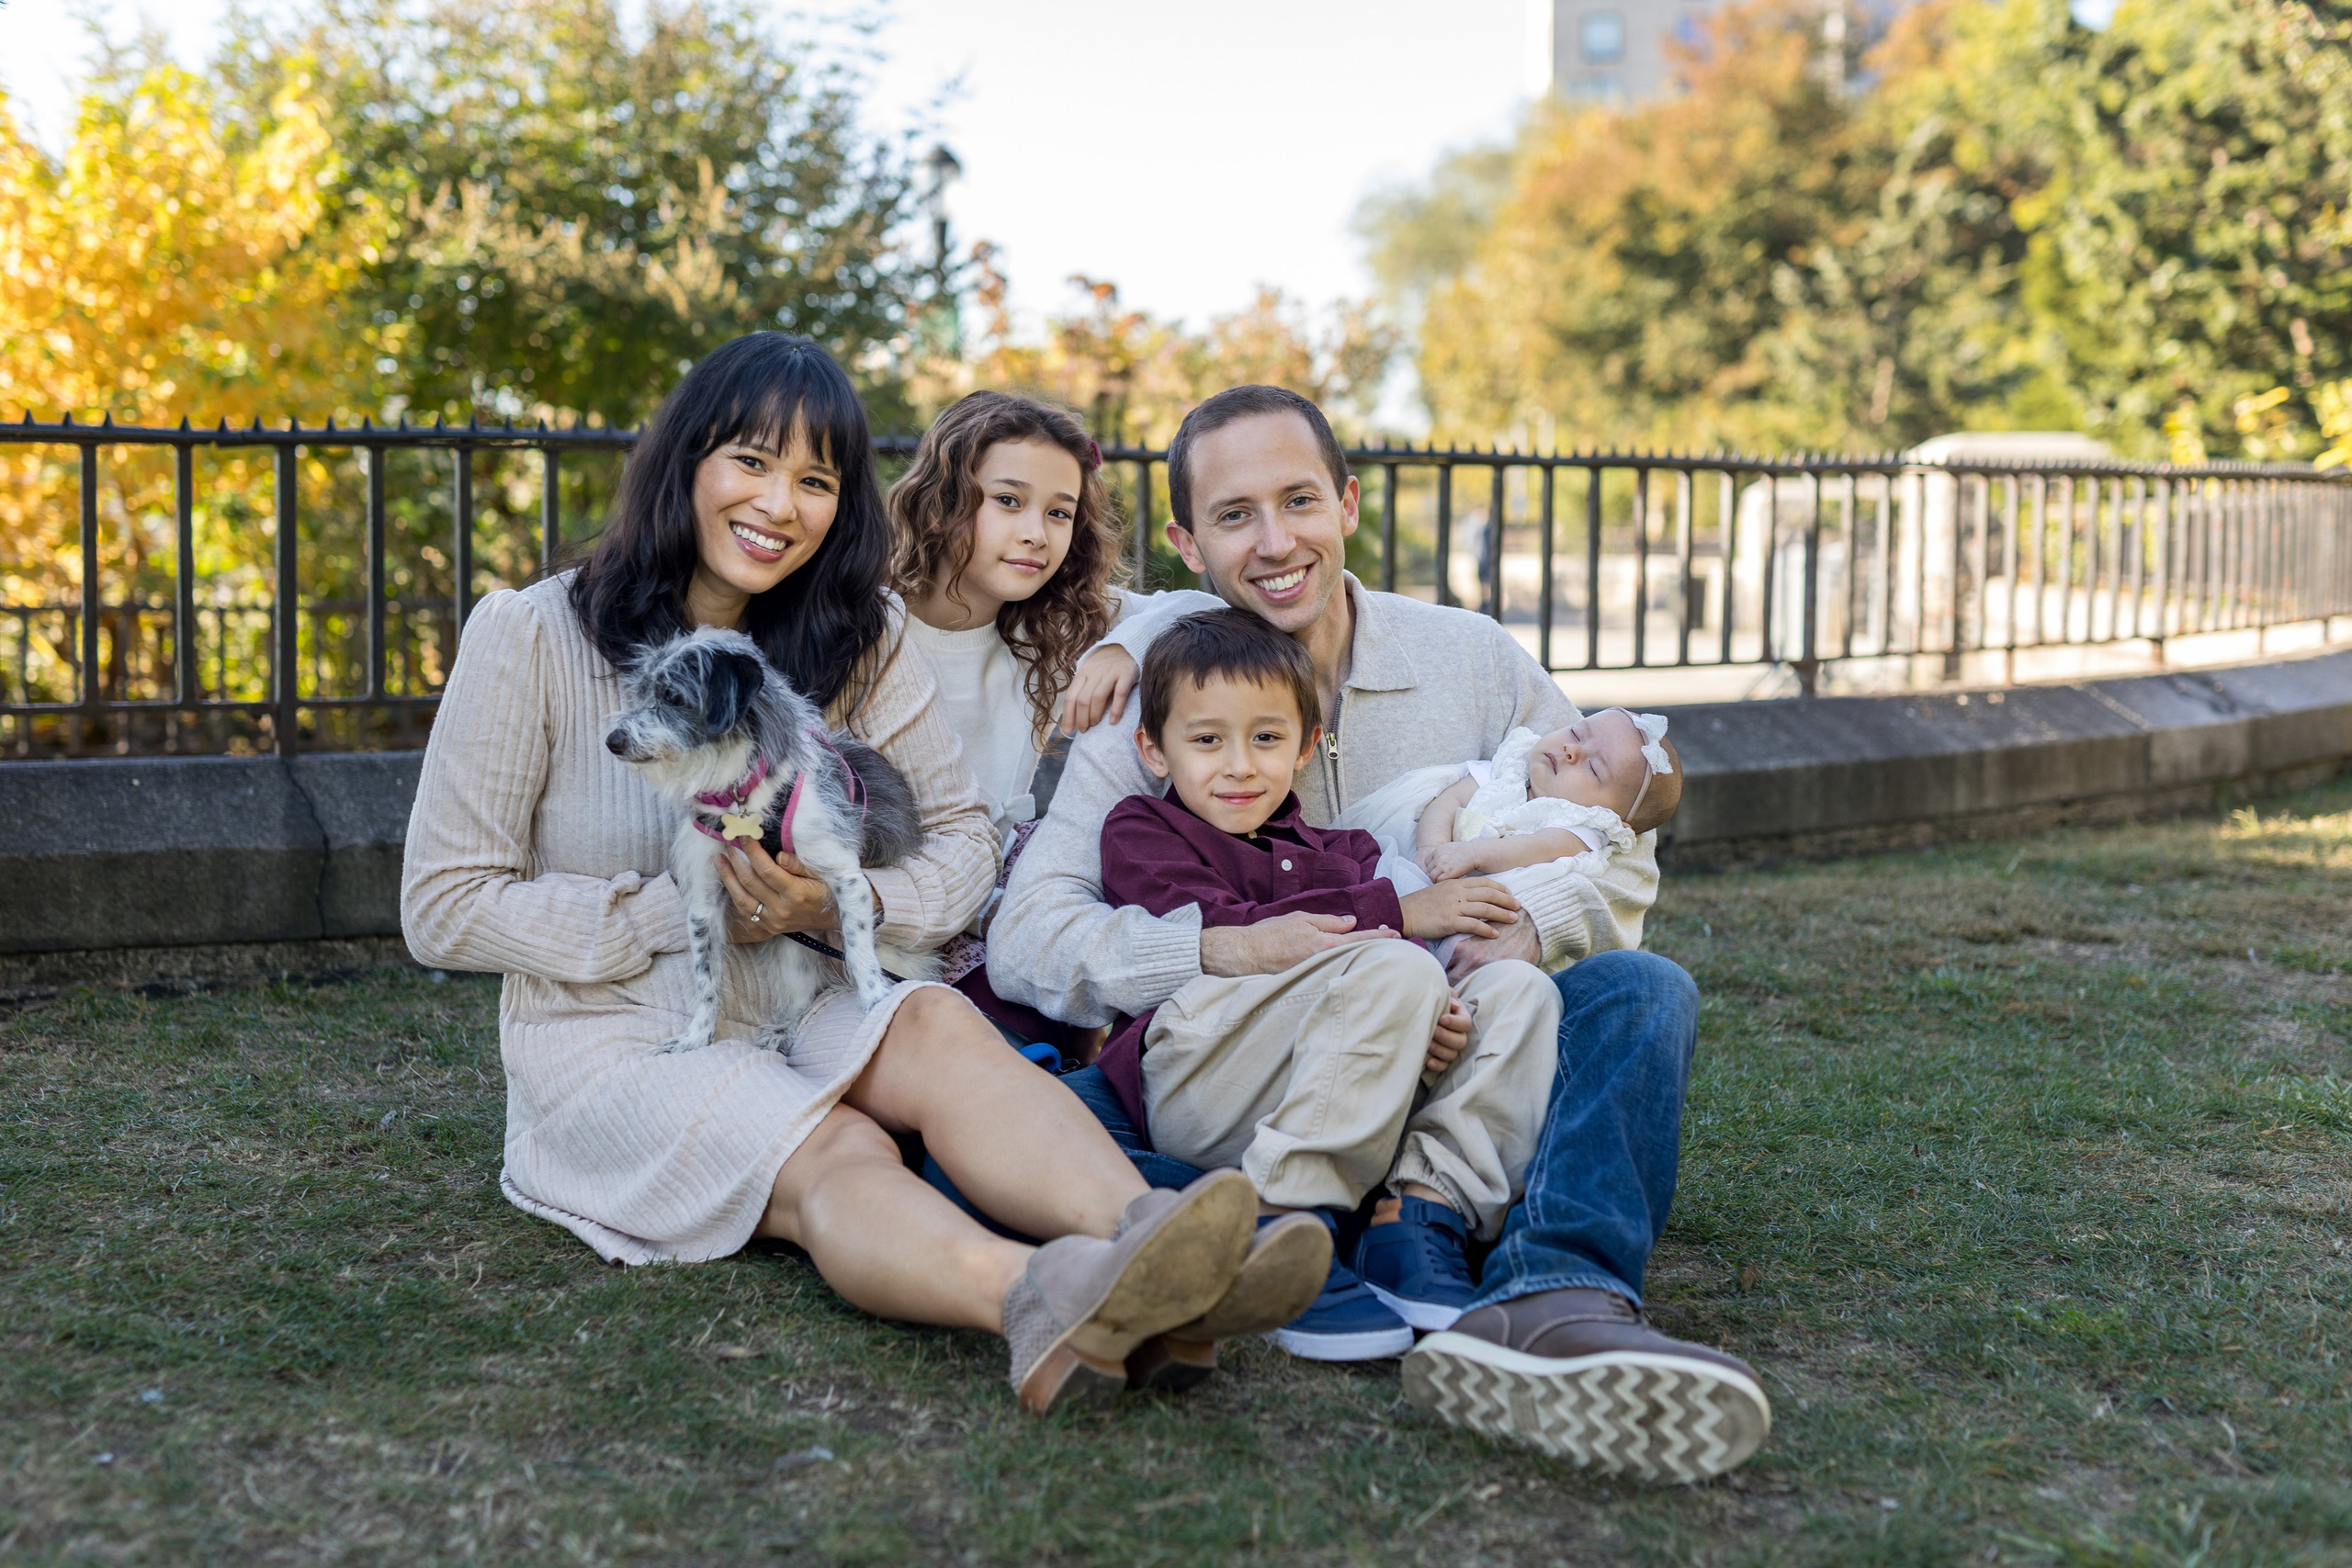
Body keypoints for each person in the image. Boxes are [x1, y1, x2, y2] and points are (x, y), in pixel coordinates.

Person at [399, 333, 1322, 1416]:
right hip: (620, 1031)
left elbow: (967, 841)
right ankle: (1039, 1299)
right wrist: (679, 911)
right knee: (835, 1146)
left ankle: (1157, 1250)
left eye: (816, 480)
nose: (781, 504)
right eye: (752, 461)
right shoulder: (530, 635)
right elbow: (444, 907)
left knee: (932, 1026)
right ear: (685, 462)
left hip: (812, 996)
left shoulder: (858, 637)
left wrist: (843, 905)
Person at [989, 384, 1771, 1482]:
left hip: (1452, 1038)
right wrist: (1232, 948)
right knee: (1029, 1110)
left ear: (1348, 502)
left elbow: (1609, 831)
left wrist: (1526, 924)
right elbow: (1032, 933)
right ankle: (1284, 1221)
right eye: (1233, 516)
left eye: (1299, 500)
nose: (1274, 544)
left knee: (1643, 994)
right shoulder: (1158, 696)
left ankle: (1549, 1292)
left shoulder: (1474, 659)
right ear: (1185, 542)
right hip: (1249, 1052)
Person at [1097, 608, 1564, 1366]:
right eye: (1208, 739)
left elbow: (1395, 970)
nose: (1240, 765)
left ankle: (1417, 1211)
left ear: (1306, 745)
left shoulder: (1346, 852)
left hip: (1332, 1085)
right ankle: (1286, 1227)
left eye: (1267, 738)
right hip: (1197, 1080)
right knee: (1397, 963)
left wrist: (1430, 1012)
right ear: (1155, 749)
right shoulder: (1144, 830)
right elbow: (1225, 927)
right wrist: (1395, 918)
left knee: (1518, 990)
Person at [886, 389, 1216, 1049]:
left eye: (1059, 512)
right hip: (888, 925)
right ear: (945, 495)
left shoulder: (1058, 624)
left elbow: (1202, 609)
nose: (1037, 532)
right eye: (1008, 501)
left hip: (1000, 933)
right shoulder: (874, 626)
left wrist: (1129, 643)